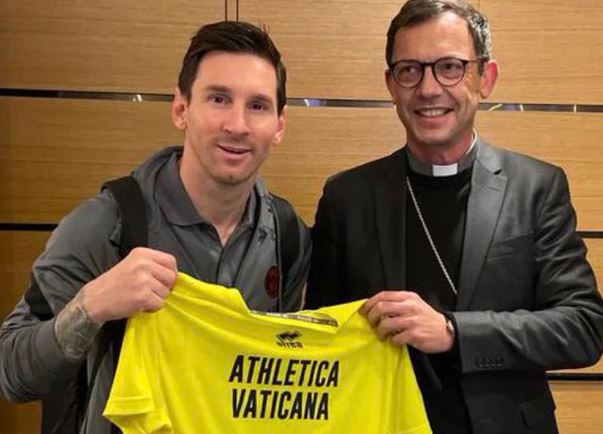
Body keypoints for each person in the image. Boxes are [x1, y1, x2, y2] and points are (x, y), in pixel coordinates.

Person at [306, 1, 603, 433]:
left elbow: (583, 327)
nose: (428, 88)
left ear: (486, 78)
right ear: (391, 84)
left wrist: (453, 332)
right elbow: (322, 340)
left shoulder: (537, 187)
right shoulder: (346, 196)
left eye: (450, 67)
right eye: (410, 70)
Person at [0, 21, 310, 434]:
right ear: (181, 109)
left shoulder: (288, 236)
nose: (237, 124)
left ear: (280, 124)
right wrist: (89, 307)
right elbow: (11, 373)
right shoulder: (106, 225)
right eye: (218, 99)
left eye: (257, 105)